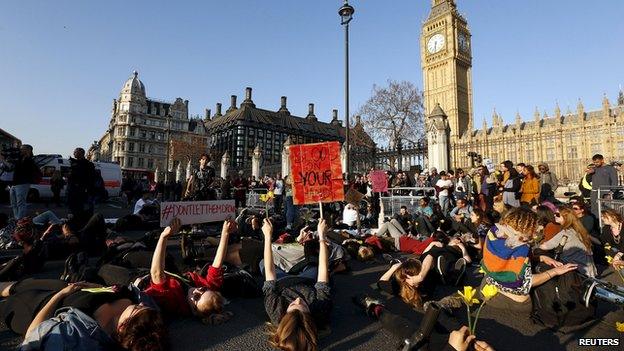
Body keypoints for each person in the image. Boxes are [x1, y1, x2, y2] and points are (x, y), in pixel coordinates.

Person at [0, 279, 166, 350]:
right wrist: (96, 286)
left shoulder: (79, 338)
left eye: (139, 310)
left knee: (14, 298)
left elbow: (31, 338)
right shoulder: (138, 306)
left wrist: (61, 295)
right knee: (19, 284)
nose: (142, 305)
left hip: (36, 307)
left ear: (124, 327)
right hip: (70, 287)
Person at [481, 208, 577, 313]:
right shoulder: (520, 249)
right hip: (515, 302)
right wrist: (554, 272)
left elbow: (506, 261)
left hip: (487, 287)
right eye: (534, 228)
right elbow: (527, 283)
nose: (535, 233)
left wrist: (541, 257)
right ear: (527, 227)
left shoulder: (494, 233)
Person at [262, 218, 332, 351]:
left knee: (262, 264)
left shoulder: (275, 311)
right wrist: (322, 237)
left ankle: (288, 263)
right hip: (307, 280)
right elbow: (323, 274)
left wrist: (267, 236)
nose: (299, 299)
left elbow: (270, 275)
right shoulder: (320, 311)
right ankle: (303, 248)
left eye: (293, 305)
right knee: (313, 264)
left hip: (282, 282)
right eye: (304, 305)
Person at [145, 218, 232, 322]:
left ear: (194, 311)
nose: (197, 290)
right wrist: (225, 232)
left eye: (196, 297)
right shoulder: (208, 287)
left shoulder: (174, 302)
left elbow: (156, 274)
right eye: (203, 290)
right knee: (168, 257)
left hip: (141, 276)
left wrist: (164, 237)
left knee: (132, 249)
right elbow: (217, 265)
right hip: (172, 272)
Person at [539, 207, 596, 277]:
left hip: (579, 272)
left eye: (557, 214)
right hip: (589, 270)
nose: (554, 215)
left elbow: (545, 247)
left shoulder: (566, 232)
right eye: (554, 214)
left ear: (565, 217)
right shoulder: (578, 229)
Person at [1, 144, 39, 219]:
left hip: (23, 183)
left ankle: (20, 219)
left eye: (22, 149)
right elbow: (11, 168)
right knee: (13, 203)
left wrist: (3, 160)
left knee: (20, 202)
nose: (20, 150)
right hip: (15, 183)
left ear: (28, 150)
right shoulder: (20, 158)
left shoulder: (29, 160)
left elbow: (14, 167)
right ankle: (17, 218)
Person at [67, 148, 96, 222]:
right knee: (74, 208)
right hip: (74, 189)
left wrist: (72, 175)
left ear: (80, 153)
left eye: (75, 152)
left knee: (79, 209)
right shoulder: (74, 163)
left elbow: (88, 177)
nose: (74, 153)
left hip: (80, 190)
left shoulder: (87, 164)